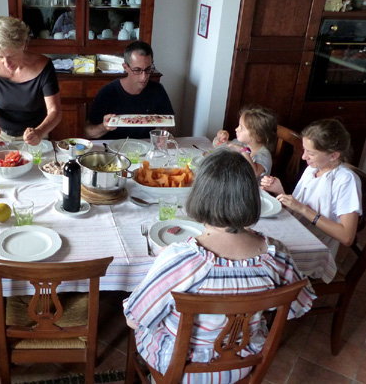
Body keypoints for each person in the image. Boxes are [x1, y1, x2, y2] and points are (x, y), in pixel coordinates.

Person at [123, 148, 315, 382]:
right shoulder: (277, 255)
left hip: (182, 369)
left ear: (200, 196)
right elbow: (299, 306)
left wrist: (162, 263)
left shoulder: (181, 259)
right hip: (241, 364)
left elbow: (134, 319)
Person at [261, 119, 362, 257]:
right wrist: (279, 191)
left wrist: (302, 208)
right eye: (304, 150)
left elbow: (347, 237)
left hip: (314, 248)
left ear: (333, 155)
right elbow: (297, 208)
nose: (303, 157)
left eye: (311, 153)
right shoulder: (312, 169)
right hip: (294, 231)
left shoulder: (346, 181)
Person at [0, 16, 62, 146]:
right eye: (0, 56)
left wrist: (39, 132)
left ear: (23, 45)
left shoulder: (43, 66)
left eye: (11, 56)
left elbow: (55, 111)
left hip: (34, 133)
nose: (6, 63)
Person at [84, 41, 174, 140]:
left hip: (144, 146)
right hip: (113, 146)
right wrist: (104, 127)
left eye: (148, 69)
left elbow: (169, 123)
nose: (144, 77)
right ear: (125, 67)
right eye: (137, 70)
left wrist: (165, 135)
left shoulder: (157, 90)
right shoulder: (108, 92)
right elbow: (88, 132)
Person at [214, 106, 277, 178]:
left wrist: (243, 151)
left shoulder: (263, 155)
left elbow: (253, 173)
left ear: (258, 136)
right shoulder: (243, 143)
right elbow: (220, 146)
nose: (236, 129)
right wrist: (220, 139)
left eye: (242, 128)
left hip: (251, 185)